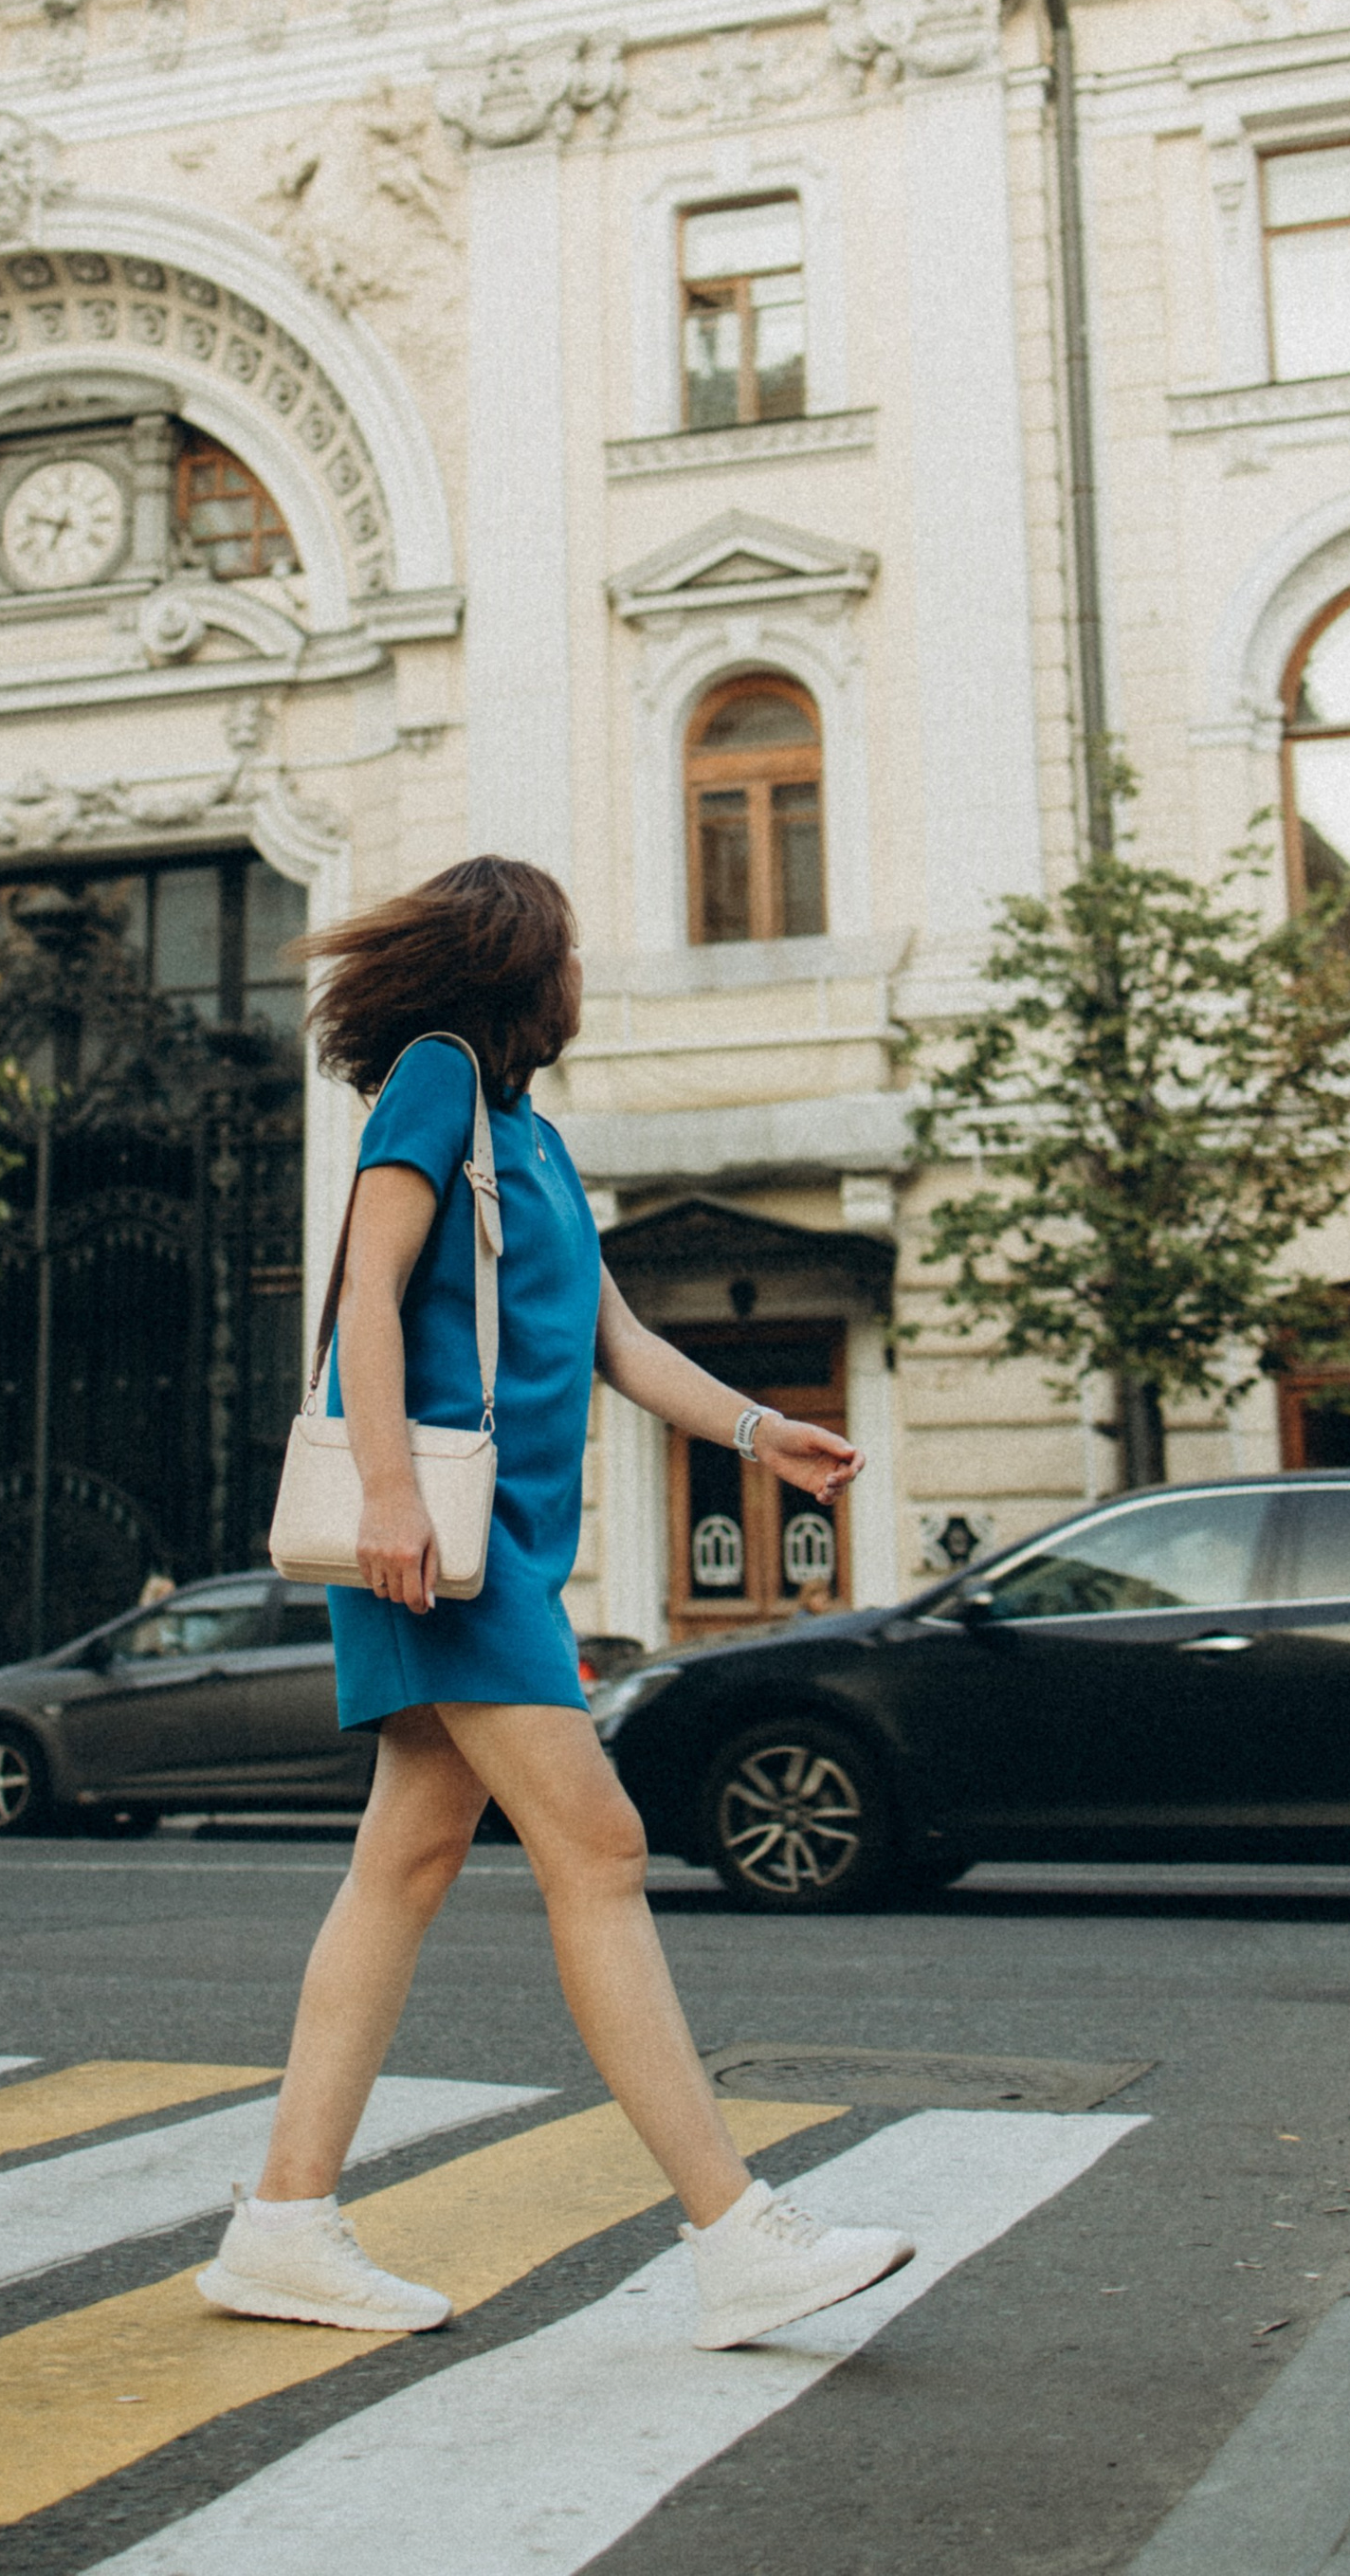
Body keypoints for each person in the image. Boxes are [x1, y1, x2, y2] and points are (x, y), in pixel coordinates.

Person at [198, 857, 914, 2352]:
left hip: (490, 1548)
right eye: (571, 949)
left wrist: (756, 1434)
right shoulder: (437, 1083)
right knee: (598, 1844)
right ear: (518, 965)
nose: (585, 973)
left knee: (405, 1863)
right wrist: (388, 1495)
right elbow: (372, 1294)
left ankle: (282, 2224)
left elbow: (619, 1337)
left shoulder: (525, 1132)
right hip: (442, 1548)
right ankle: (733, 2229)